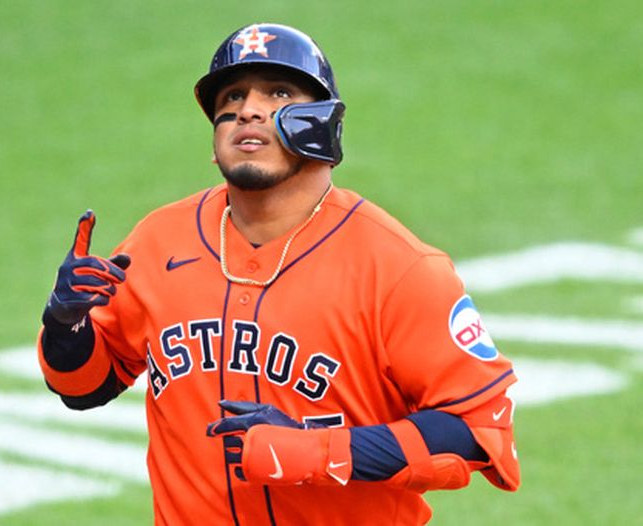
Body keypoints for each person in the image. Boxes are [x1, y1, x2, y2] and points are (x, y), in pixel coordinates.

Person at [38, 22, 520, 526]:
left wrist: (318, 450)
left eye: (279, 93)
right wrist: (65, 325)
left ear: (323, 124)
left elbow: (479, 431)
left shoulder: (399, 268)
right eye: (233, 97)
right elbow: (84, 386)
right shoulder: (158, 242)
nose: (249, 109)